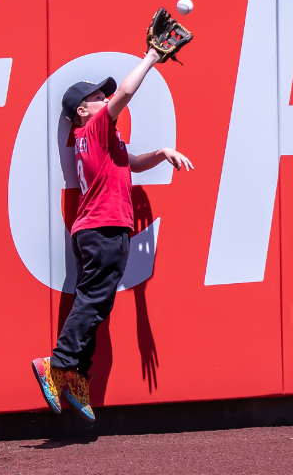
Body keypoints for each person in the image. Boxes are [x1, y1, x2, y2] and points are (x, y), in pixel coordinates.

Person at [32, 47, 194, 422]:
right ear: (82, 112)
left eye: (102, 96)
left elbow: (133, 163)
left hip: (103, 227)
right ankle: (57, 365)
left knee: (97, 305)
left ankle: (73, 377)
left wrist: (162, 152)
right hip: (103, 226)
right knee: (92, 301)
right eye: (96, 98)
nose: (104, 99)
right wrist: (152, 55)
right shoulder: (95, 127)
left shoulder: (105, 138)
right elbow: (124, 93)